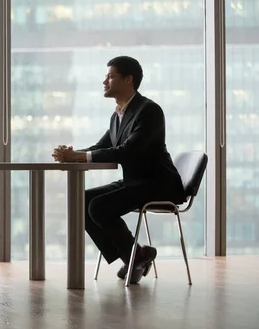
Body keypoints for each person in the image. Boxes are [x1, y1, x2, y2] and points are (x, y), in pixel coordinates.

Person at [52, 56, 185, 284]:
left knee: (99, 206)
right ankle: (134, 256)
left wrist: (78, 156)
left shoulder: (149, 111)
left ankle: (134, 257)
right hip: (135, 182)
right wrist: (71, 155)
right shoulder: (117, 116)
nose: (105, 81)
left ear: (128, 80)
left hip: (158, 183)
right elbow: (101, 147)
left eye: (111, 76)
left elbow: (128, 151)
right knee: (81, 200)